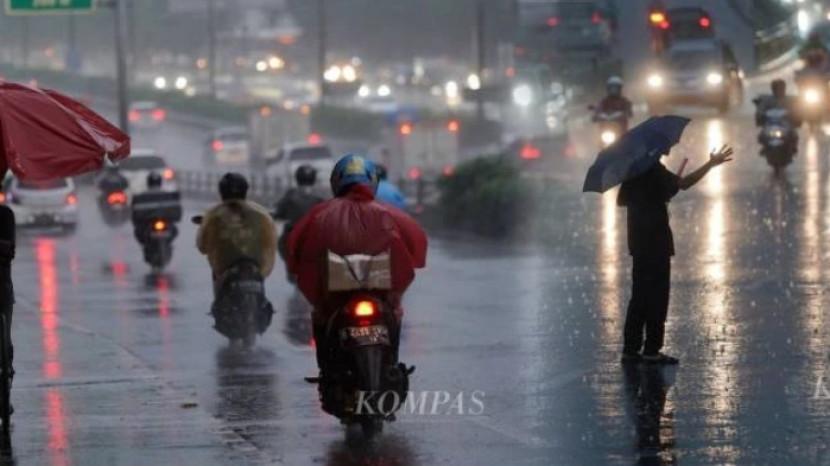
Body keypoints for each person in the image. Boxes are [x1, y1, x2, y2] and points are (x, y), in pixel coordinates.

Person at [286, 154, 427, 372]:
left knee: (321, 316)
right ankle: (391, 363)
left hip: (336, 297)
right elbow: (417, 242)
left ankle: (327, 370)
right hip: (379, 292)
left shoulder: (320, 214)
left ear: (336, 182)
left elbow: (297, 248)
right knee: (395, 312)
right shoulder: (389, 213)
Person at [618, 144, 734, 365]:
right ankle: (651, 349)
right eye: (663, 146)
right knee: (657, 297)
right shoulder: (653, 169)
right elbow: (683, 184)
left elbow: (639, 197)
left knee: (640, 295)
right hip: (655, 242)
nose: (667, 148)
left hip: (639, 242)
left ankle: (630, 348)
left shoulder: (634, 171)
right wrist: (710, 163)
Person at [197, 172, 277, 287]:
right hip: (255, 271)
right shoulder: (260, 214)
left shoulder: (214, 215)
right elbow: (270, 243)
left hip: (225, 272)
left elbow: (202, 246)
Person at [274, 165, 324, 276]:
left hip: (293, 241)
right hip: (312, 240)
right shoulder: (319, 199)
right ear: (314, 179)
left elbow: (278, 212)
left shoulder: (290, 197)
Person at [131, 172, 181, 246]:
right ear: (160, 182)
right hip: (159, 223)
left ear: (149, 182)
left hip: (153, 224)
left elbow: (135, 211)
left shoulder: (142, 196)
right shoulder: (167, 195)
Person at [755, 80, 801, 153]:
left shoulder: (789, 100)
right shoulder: (768, 100)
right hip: (771, 122)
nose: (779, 91)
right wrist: (761, 114)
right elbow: (761, 108)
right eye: (777, 89)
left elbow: (795, 108)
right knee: (762, 134)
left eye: (781, 89)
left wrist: (795, 114)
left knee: (793, 133)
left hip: (784, 122)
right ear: (773, 89)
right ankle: (765, 147)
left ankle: (792, 147)